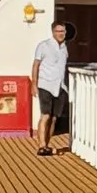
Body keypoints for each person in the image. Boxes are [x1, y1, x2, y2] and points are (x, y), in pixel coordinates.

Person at [31, 13, 70, 153]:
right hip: (45, 84)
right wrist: (34, 84)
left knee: (54, 118)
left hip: (60, 86)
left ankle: (46, 145)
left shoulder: (64, 48)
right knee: (45, 115)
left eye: (63, 31)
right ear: (53, 32)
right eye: (58, 31)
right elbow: (36, 64)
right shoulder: (44, 46)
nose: (61, 34)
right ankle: (41, 146)